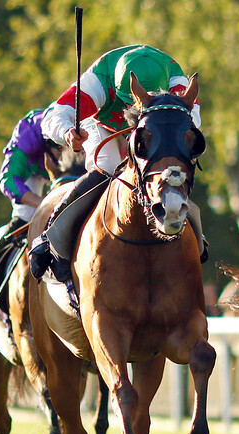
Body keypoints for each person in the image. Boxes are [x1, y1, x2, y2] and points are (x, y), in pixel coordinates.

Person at [29, 44, 205, 280]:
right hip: (102, 126)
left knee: (169, 164)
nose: (128, 111)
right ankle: (53, 236)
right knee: (107, 169)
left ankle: (191, 228)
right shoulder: (97, 81)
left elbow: (192, 121)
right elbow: (53, 117)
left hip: (156, 125)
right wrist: (69, 132)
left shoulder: (177, 82)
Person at [0, 109, 62, 297]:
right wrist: (45, 204)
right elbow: (8, 180)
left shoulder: (85, 127)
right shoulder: (31, 133)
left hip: (67, 176)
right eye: (60, 149)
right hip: (33, 175)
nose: (64, 153)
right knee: (27, 215)